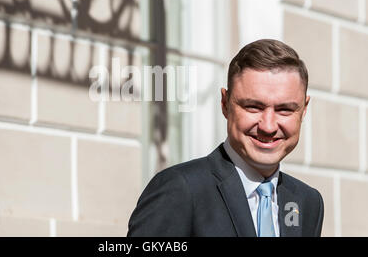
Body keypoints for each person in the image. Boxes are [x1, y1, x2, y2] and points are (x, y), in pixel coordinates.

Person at [127, 39, 324, 237]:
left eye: (285, 110)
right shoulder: (180, 189)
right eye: (253, 107)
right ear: (225, 104)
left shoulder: (307, 202)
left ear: (304, 109)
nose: (268, 126)